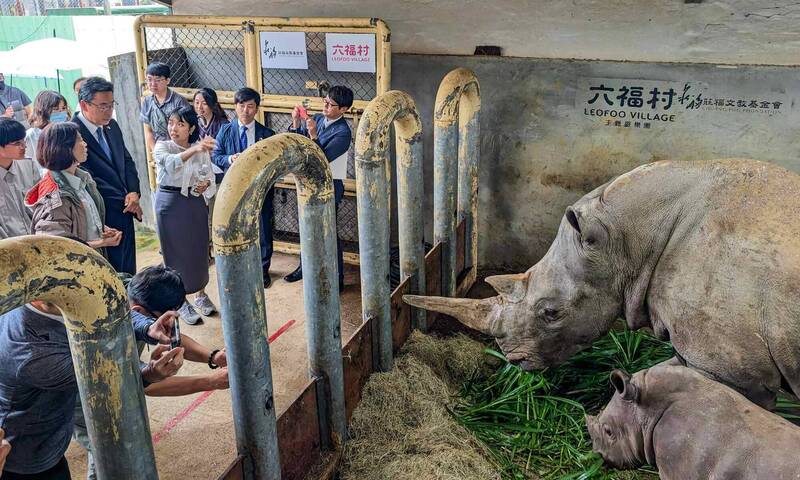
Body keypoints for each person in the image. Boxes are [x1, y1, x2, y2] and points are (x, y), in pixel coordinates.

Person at [0, 296, 184, 479]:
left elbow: (104, 307)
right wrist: (151, 373)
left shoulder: (56, 299)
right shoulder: (31, 354)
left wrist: (148, 327)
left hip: (49, 437)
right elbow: (107, 378)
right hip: (27, 456)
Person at [74, 265, 229, 480]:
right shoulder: (106, 335)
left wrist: (212, 356)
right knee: (106, 450)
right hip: (79, 395)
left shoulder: (130, 287)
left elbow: (171, 338)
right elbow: (146, 384)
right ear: (138, 312)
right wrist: (213, 381)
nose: (171, 326)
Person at [153, 106, 219, 324]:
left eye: (180, 124)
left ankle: (200, 294)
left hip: (194, 203)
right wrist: (197, 149)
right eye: (172, 123)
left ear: (191, 128)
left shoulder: (199, 150)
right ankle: (180, 302)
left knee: (198, 249)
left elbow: (209, 178)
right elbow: (171, 164)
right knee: (174, 252)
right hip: (169, 203)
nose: (174, 128)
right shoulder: (162, 146)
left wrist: (204, 185)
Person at [285, 85, 354, 290]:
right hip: (308, 182)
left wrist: (314, 135)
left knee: (329, 232)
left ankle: (338, 278)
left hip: (330, 185)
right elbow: (298, 141)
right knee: (306, 227)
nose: (325, 106)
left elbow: (321, 158)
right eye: (324, 101)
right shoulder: (318, 117)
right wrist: (296, 122)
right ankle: (304, 267)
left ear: (344, 110)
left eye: (331, 105)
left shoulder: (343, 133)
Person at [73, 76, 142, 274]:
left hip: (127, 208)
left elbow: (126, 161)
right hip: (100, 214)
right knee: (108, 271)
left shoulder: (112, 126)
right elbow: (87, 177)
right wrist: (126, 200)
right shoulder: (73, 133)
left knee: (128, 269)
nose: (109, 111)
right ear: (84, 105)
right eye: (103, 106)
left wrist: (134, 192)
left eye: (111, 105)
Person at [212, 87, 276, 288]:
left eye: (250, 106)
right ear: (235, 106)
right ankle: (239, 268)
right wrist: (231, 159)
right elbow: (216, 156)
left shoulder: (266, 134)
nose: (245, 110)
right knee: (235, 227)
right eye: (242, 105)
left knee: (263, 229)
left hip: (260, 187)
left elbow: (272, 162)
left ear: (256, 108)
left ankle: (263, 270)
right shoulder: (225, 130)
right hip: (233, 189)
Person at [26, 123, 123, 252]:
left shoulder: (81, 179)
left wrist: (101, 228)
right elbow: (54, 245)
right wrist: (101, 242)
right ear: (64, 148)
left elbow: (80, 220)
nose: (85, 144)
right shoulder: (56, 197)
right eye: (80, 140)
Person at [0, 118, 40, 239]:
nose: (24, 146)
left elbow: (41, 205)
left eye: (23, 140)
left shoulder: (29, 165)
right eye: (17, 143)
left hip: (38, 239)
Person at [140, 62, 191, 156]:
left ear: (168, 80)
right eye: (149, 79)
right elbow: (148, 131)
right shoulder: (147, 102)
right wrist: (156, 152)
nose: (152, 84)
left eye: (158, 80)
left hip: (179, 151)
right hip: (159, 150)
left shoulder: (179, 102)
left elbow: (186, 132)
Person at [25, 90, 69, 166]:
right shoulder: (32, 135)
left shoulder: (67, 132)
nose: (61, 112)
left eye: (63, 108)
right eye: (56, 109)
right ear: (43, 110)